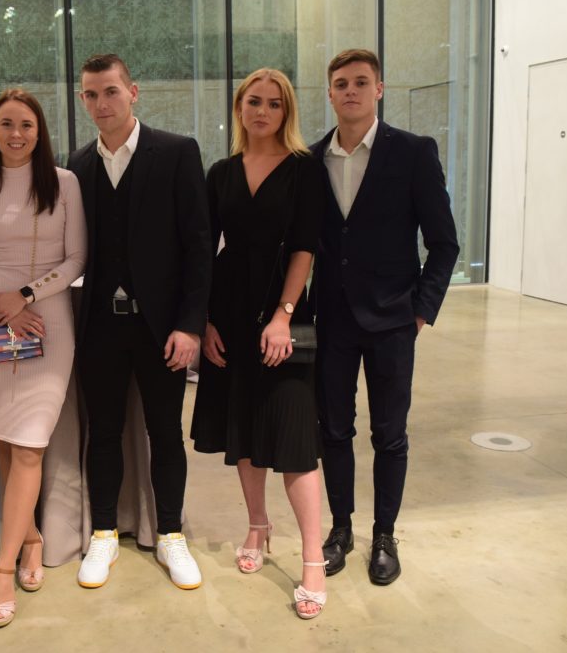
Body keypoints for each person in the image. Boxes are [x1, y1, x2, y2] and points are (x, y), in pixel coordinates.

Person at [311, 49, 459, 585]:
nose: (350, 90)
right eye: (341, 83)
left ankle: (384, 535)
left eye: (360, 82)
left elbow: (444, 243)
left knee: (389, 434)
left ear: (379, 89)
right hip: (332, 320)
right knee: (333, 430)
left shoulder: (413, 152)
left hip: (393, 321)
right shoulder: (312, 159)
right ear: (330, 93)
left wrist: (420, 310)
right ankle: (341, 529)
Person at [69, 54, 211, 590]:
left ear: (133, 92)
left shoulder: (176, 152)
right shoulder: (77, 165)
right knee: (103, 432)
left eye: (110, 91)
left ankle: (171, 534)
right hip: (99, 327)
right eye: (91, 94)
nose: (101, 103)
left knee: (165, 432)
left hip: (162, 329)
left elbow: (199, 245)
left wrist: (191, 325)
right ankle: (104, 533)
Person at [191, 68, 328, 619]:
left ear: (286, 111)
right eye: (254, 101)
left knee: (293, 434)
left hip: (281, 312)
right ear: (239, 107)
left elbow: (304, 248)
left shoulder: (304, 169)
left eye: (274, 103)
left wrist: (283, 316)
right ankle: (257, 525)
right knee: (244, 430)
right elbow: (203, 250)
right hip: (228, 311)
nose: (263, 111)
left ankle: (313, 559)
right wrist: (204, 320)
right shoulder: (221, 172)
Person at [0, 88, 87, 627]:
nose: (16, 133)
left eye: (26, 124)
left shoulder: (65, 184)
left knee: (29, 445)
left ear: (39, 131)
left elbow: (76, 258)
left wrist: (25, 296)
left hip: (48, 321)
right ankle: (29, 539)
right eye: (7, 123)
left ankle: (2, 570)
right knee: (7, 443)